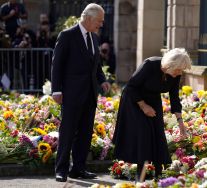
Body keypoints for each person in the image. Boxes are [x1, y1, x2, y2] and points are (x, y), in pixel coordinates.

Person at [51, 3, 110, 182]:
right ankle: (61, 170)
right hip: (71, 94)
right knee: (68, 132)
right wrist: (56, 90)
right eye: (99, 21)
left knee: (85, 134)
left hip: (90, 94)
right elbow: (57, 64)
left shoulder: (94, 38)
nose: (101, 24)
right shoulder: (67, 35)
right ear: (89, 18)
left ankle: (78, 168)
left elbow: (96, 65)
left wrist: (103, 80)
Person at [112, 48, 191, 182]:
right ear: (170, 65)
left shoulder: (175, 74)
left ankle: (159, 173)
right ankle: (140, 174)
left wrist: (181, 123)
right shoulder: (149, 65)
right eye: (178, 69)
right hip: (134, 99)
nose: (180, 73)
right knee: (143, 132)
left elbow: (174, 97)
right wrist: (143, 106)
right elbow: (130, 86)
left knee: (158, 131)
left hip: (153, 100)